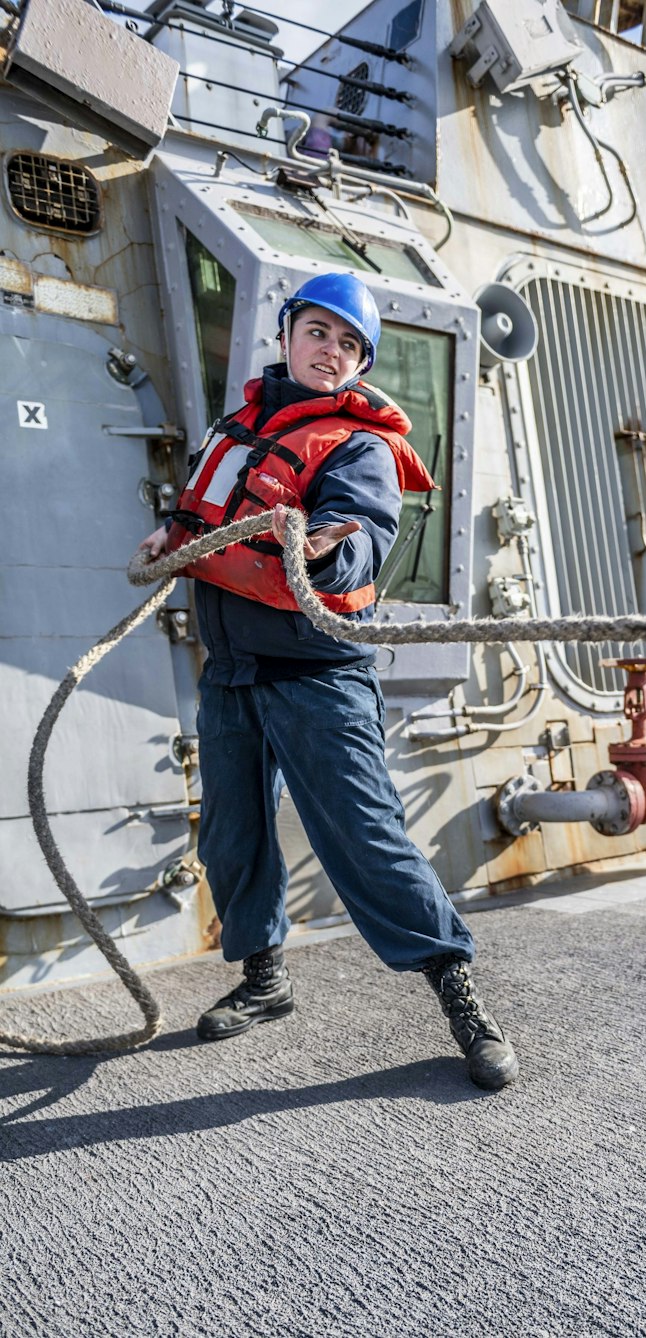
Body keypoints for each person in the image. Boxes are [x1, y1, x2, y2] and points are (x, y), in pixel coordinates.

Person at [140, 272, 518, 1090]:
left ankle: (460, 996)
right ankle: (265, 981)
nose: (332, 352)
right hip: (232, 673)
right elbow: (200, 514)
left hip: (317, 674)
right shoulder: (235, 429)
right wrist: (168, 535)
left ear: (360, 364)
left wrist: (322, 548)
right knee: (231, 838)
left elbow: (360, 544)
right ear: (286, 337)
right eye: (319, 333)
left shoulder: (359, 446)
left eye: (350, 345)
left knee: (366, 838)